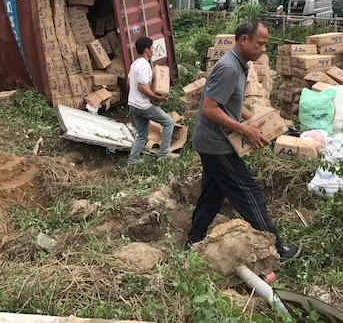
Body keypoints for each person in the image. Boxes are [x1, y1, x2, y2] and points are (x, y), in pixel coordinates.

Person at [186, 19, 301, 262]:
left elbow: (229, 105)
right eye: (260, 44)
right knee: (248, 193)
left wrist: (260, 119)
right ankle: (276, 250)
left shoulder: (240, 65)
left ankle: (193, 242)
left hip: (211, 142)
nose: (263, 50)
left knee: (212, 196)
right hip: (217, 145)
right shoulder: (229, 68)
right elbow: (209, 109)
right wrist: (245, 130)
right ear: (244, 40)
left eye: (265, 45)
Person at [127, 36, 179, 166]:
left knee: (142, 134)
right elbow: (142, 86)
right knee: (168, 122)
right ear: (146, 50)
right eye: (151, 48)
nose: (153, 50)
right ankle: (163, 154)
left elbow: (129, 83)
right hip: (143, 106)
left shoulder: (135, 64)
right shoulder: (144, 65)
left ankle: (133, 161)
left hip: (133, 104)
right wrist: (157, 97)